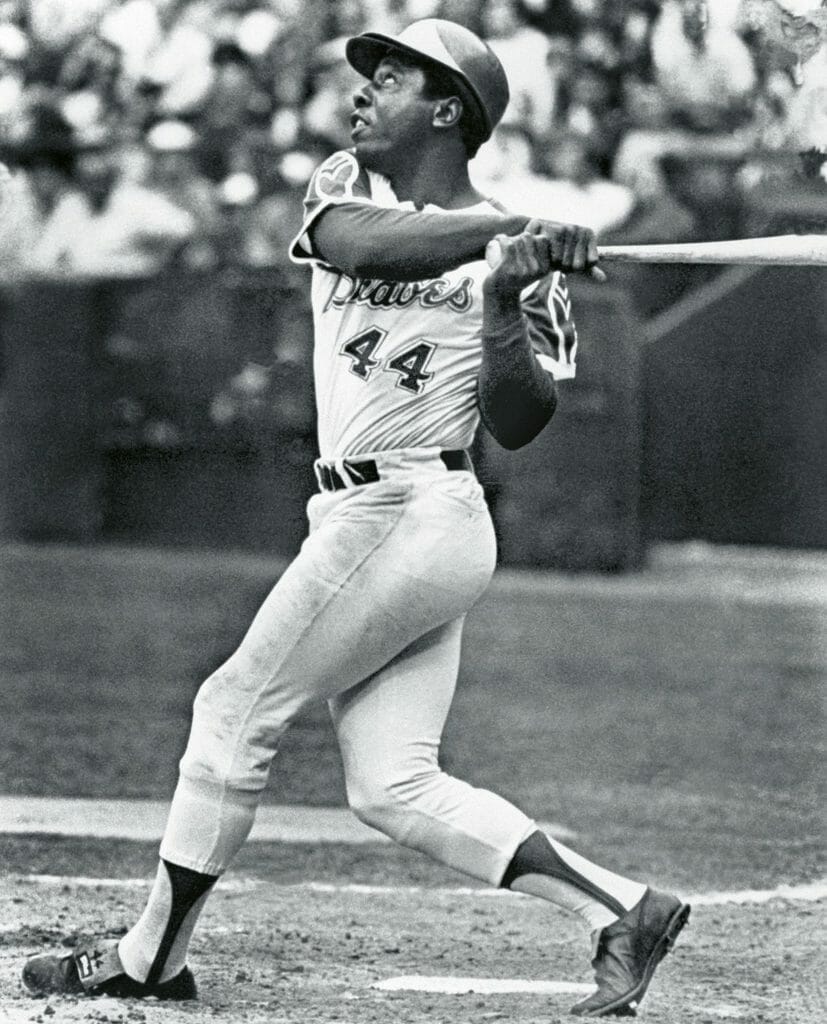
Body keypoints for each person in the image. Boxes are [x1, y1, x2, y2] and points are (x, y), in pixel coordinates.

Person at [21, 18, 690, 1019]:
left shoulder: (521, 263)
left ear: (448, 110)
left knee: (232, 709)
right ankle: (623, 911)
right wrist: (499, 230)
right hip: (360, 514)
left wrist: (503, 297)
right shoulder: (349, 186)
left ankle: (149, 958)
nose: (363, 91)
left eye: (393, 78)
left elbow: (520, 421)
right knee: (391, 785)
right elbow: (356, 243)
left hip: (416, 508)